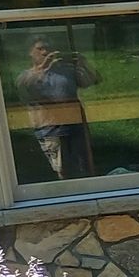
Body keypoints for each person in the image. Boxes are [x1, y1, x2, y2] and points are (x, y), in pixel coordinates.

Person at [15, 39, 98, 180]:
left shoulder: (65, 71)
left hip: (76, 125)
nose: (45, 52)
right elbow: (23, 90)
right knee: (60, 170)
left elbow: (93, 81)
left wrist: (83, 63)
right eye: (40, 49)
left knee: (84, 166)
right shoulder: (26, 76)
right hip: (49, 128)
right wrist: (43, 68)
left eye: (48, 48)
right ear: (30, 52)